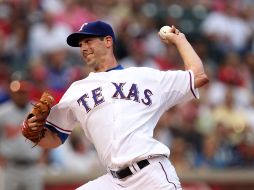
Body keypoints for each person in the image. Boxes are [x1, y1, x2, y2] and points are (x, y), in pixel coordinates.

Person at [25, 20, 209, 190]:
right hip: (113, 181)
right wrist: (32, 130)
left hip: (150, 175)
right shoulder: (76, 90)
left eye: (88, 41)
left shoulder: (145, 77)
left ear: (107, 41)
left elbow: (198, 76)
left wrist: (180, 40)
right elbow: (54, 138)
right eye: (80, 44)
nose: (83, 47)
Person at [0, 80, 45, 190]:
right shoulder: (3, 112)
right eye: (18, 92)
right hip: (10, 167)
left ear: (28, 92)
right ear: (12, 93)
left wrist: (44, 156)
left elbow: (48, 134)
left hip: (33, 167)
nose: (21, 96)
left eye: (23, 92)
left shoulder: (37, 111)